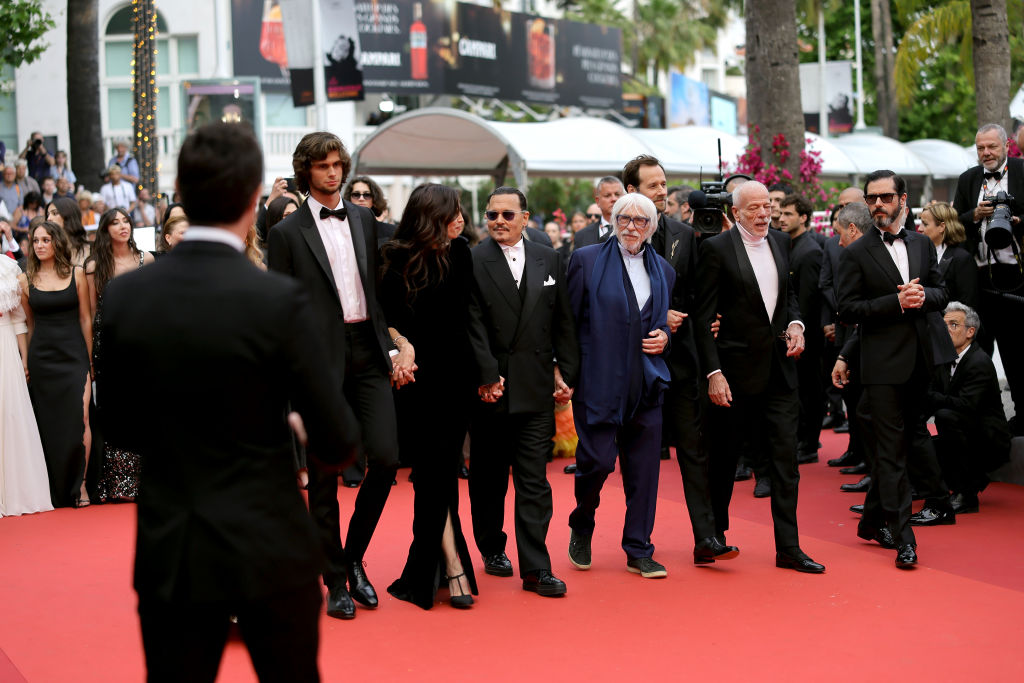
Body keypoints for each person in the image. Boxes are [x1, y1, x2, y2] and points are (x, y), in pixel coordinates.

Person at [97, 121, 358, 682]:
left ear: (181, 193)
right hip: (270, 541)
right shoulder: (278, 298)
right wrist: (297, 426)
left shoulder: (126, 296)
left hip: (175, 548)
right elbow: (338, 440)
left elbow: (117, 424)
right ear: (253, 195)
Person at [267, 131, 402, 620]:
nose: (331, 172)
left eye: (337, 164)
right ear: (306, 171)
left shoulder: (364, 219)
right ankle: (335, 580)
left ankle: (352, 556)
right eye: (322, 165)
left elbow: (378, 291)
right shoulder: (286, 233)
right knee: (324, 479)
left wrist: (394, 343)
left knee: (386, 458)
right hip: (318, 362)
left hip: (368, 349)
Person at [695, 181, 825, 574]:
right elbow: (703, 317)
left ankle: (789, 547)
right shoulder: (716, 249)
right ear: (735, 212)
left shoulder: (782, 242)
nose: (764, 214)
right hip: (733, 374)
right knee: (724, 460)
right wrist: (714, 373)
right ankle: (712, 538)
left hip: (780, 374)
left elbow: (789, 297)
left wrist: (797, 324)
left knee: (786, 462)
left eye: (768, 206)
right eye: (754, 208)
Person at [467, 186, 579, 597]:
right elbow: (472, 323)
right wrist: (486, 375)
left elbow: (563, 321)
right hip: (491, 388)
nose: (498, 221)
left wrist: (566, 372)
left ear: (525, 218)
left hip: (535, 385)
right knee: (489, 478)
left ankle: (536, 568)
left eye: (507, 214)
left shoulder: (549, 258)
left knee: (534, 481)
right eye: (492, 214)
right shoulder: (472, 259)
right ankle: (492, 547)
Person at [837, 169, 951, 569]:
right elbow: (847, 309)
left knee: (902, 445)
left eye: (886, 197)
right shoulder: (856, 252)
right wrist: (895, 303)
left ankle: (871, 522)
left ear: (903, 200)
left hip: (921, 361)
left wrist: (923, 296)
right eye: (872, 199)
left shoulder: (921, 243)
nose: (878, 205)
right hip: (882, 366)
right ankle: (904, 538)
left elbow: (942, 291)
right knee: (890, 452)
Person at [379, 183, 478, 609]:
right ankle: (453, 567)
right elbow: (385, 319)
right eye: (453, 213)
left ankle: (431, 570)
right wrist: (402, 347)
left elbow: (468, 316)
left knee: (441, 473)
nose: (461, 220)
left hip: (457, 378)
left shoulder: (462, 253)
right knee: (433, 473)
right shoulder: (394, 257)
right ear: (431, 216)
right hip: (416, 380)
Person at [566, 193, 674, 579]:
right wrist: (565, 374)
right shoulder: (586, 260)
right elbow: (568, 321)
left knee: (644, 471)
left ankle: (639, 548)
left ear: (651, 227)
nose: (631, 226)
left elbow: (662, 321)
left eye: (640, 220)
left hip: (647, 381)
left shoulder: (664, 270)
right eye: (624, 218)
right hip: (598, 379)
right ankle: (582, 521)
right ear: (613, 221)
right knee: (596, 462)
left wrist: (666, 337)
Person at [953, 123, 1024, 432]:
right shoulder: (968, 179)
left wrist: (1016, 220)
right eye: (981, 148)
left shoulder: (1022, 170)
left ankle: (1021, 417)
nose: (986, 153)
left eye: (992, 147)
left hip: (1016, 274)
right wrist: (975, 215)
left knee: (1016, 351)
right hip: (979, 276)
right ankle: (983, 419)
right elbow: (954, 223)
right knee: (978, 351)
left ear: (1006, 146)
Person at [18, 221, 93, 508]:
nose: (39, 245)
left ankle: (81, 485)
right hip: (43, 358)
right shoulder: (25, 280)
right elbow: (29, 324)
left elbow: (85, 319)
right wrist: (27, 361)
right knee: (48, 424)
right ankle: (55, 487)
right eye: (35, 240)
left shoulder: (77, 274)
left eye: (45, 240)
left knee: (81, 417)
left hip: (74, 355)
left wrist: (90, 360)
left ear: (57, 242)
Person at [86, 208, 154, 503]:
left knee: (143, 408)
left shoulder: (146, 259)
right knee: (114, 409)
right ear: (105, 229)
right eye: (115, 222)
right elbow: (91, 313)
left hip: (142, 342)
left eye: (126, 221)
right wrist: (91, 354)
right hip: (109, 344)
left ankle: (146, 480)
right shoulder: (95, 265)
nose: (123, 226)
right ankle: (118, 483)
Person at [927, 302, 1011, 514]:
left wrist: (929, 397)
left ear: (970, 332)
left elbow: (965, 405)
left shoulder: (979, 361)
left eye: (953, 325)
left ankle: (967, 494)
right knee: (918, 436)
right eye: (944, 325)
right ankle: (919, 487)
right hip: (965, 429)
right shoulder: (944, 359)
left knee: (945, 417)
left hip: (989, 440)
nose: (946, 330)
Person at [0, 253, 54, 517]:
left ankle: (15, 491)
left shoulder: (7, 267)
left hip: (5, 346)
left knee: (10, 413)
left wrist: (24, 359)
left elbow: (18, 319)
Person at [778, 194, 825, 464]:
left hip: (806, 336)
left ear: (804, 217)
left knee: (809, 391)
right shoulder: (790, 245)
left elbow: (807, 302)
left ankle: (808, 445)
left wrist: (795, 333)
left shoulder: (810, 251)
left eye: (788, 214)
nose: (781, 218)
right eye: (781, 213)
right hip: (794, 334)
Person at [919, 202, 981, 313]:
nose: (919, 228)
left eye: (925, 224)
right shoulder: (919, 254)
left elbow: (968, 306)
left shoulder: (962, 259)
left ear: (941, 227)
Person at [573, 176, 625, 249]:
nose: (613, 199)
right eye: (607, 195)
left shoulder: (633, 231)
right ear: (598, 201)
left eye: (617, 194)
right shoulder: (581, 236)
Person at [46, 197, 91, 266]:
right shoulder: (46, 243)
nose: (49, 218)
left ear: (68, 215)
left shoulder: (87, 246)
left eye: (54, 213)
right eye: (48, 215)